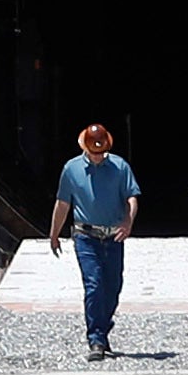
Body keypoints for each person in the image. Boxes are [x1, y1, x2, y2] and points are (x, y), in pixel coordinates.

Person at [49, 122, 140, 359]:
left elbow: (131, 198)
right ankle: (96, 339)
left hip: (114, 236)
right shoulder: (71, 169)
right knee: (94, 285)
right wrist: (54, 234)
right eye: (94, 152)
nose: (98, 156)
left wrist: (128, 222)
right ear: (85, 148)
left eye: (101, 152)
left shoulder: (120, 167)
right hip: (86, 236)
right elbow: (63, 203)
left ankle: (102, 325)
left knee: (113, 287)